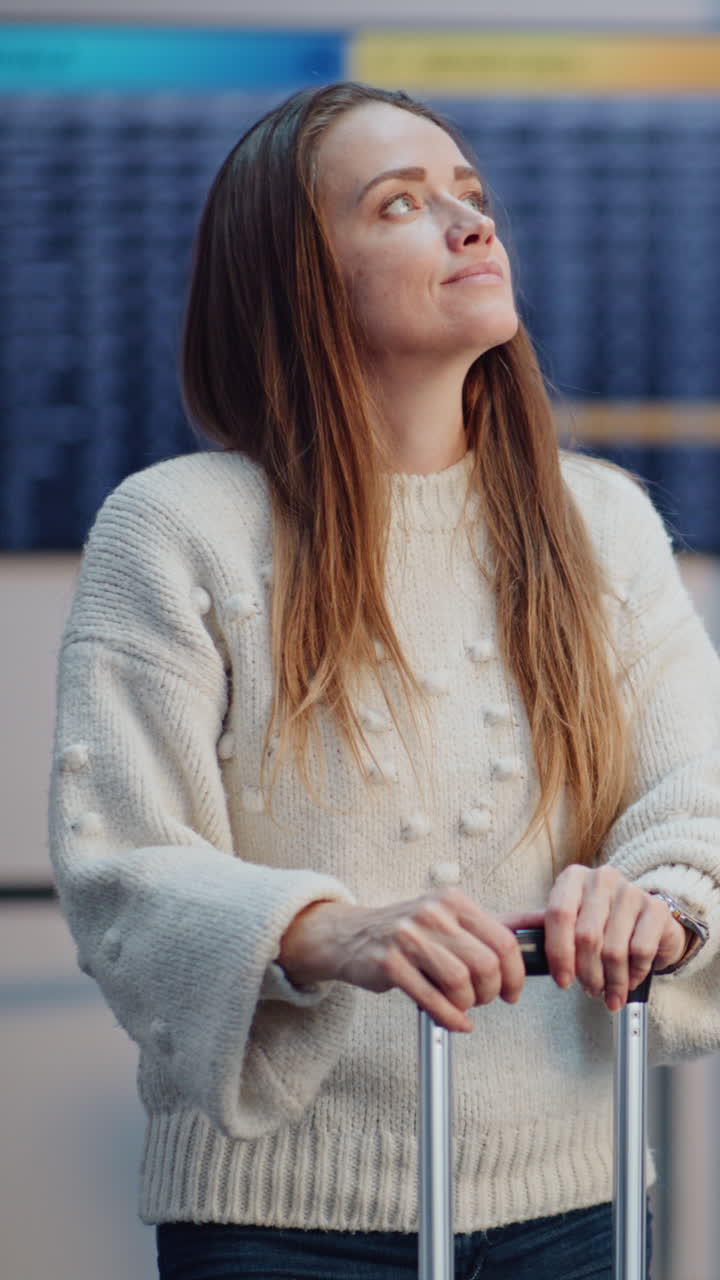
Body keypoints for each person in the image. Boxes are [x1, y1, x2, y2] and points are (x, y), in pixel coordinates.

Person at [48, 81, 720, 1280]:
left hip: (576, 1202)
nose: (471, 225)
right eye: (400, 204)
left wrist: (660, 895)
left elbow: (697, 789)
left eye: (469, 195)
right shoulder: (175, 528)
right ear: (298, 278)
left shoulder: (602, 522)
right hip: (275, 1225)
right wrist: (329, 928)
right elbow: (122, 867)